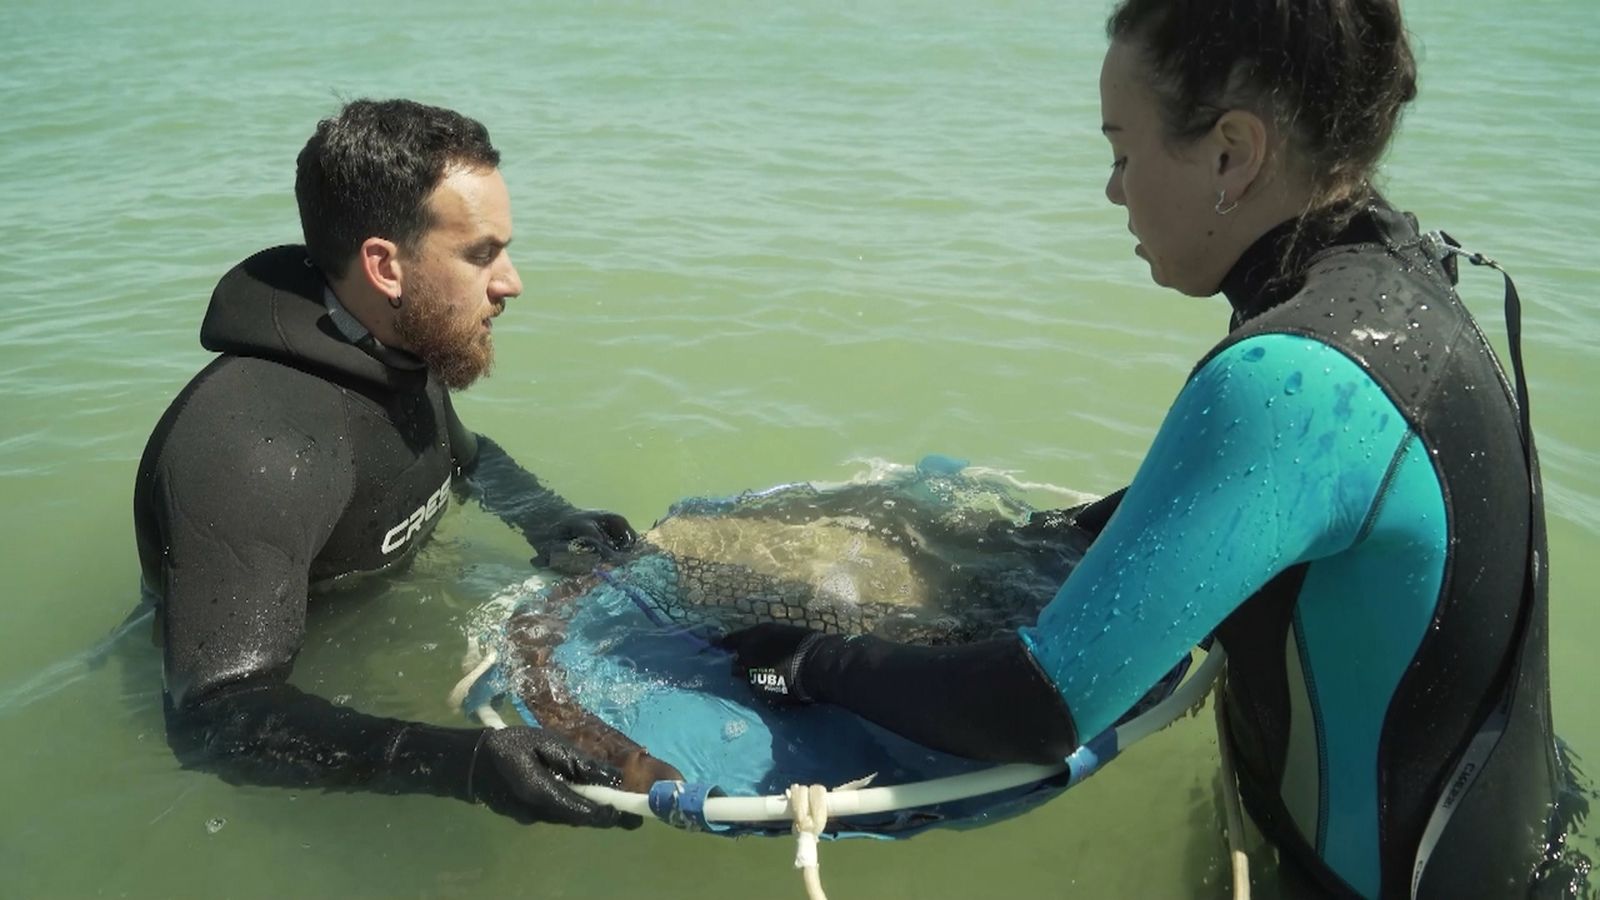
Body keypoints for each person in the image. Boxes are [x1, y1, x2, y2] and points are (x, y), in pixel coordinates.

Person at [719, 1, 1567, 895]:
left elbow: (1036, 709)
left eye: (1123, 151)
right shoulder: (1398, 285)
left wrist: (806, 660)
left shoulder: (1294, 377)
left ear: (1232, 154)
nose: (1114, 190)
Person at [133, 98, 644, 829]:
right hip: (302, 679)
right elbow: (217, 717)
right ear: (385, 265)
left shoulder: (396, 349)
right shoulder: (251, 447)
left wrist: (548, 519)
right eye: (481, 254)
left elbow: (464, 456)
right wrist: (460, 765)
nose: (511, 283)